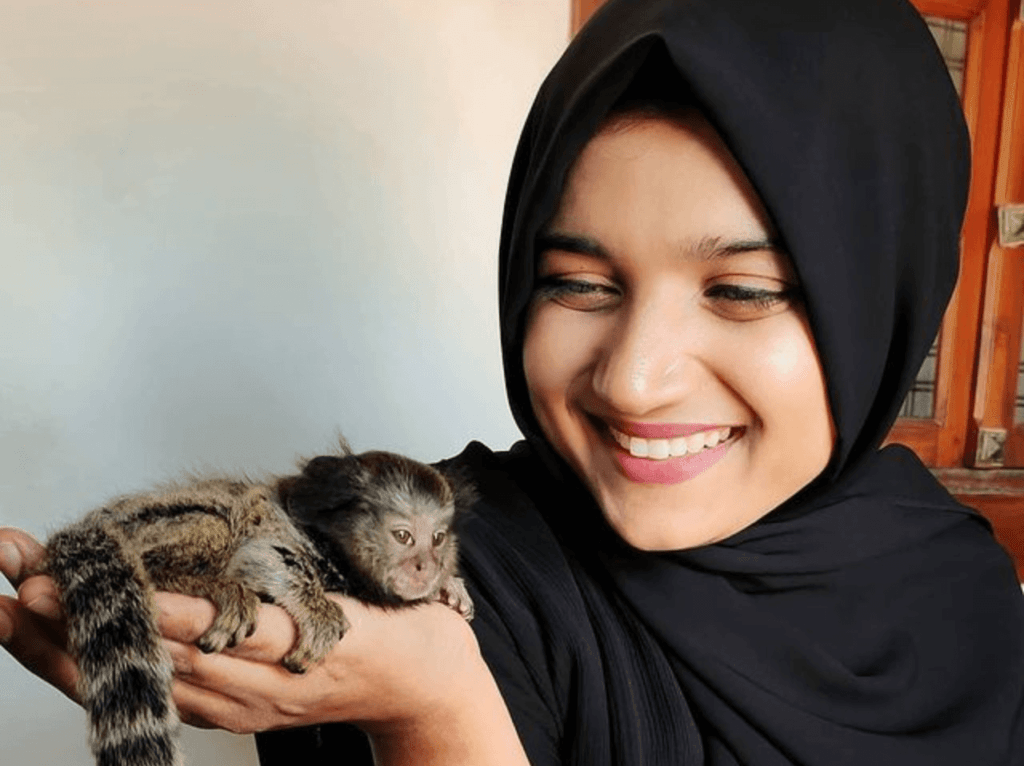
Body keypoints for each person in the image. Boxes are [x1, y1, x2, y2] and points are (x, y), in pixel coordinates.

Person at [3, 0, 1023, 763]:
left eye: (742, 292)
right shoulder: (425, 583)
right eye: (577, 283)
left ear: (880, 304)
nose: (633, 381)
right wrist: (432, 703)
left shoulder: (968, 586)